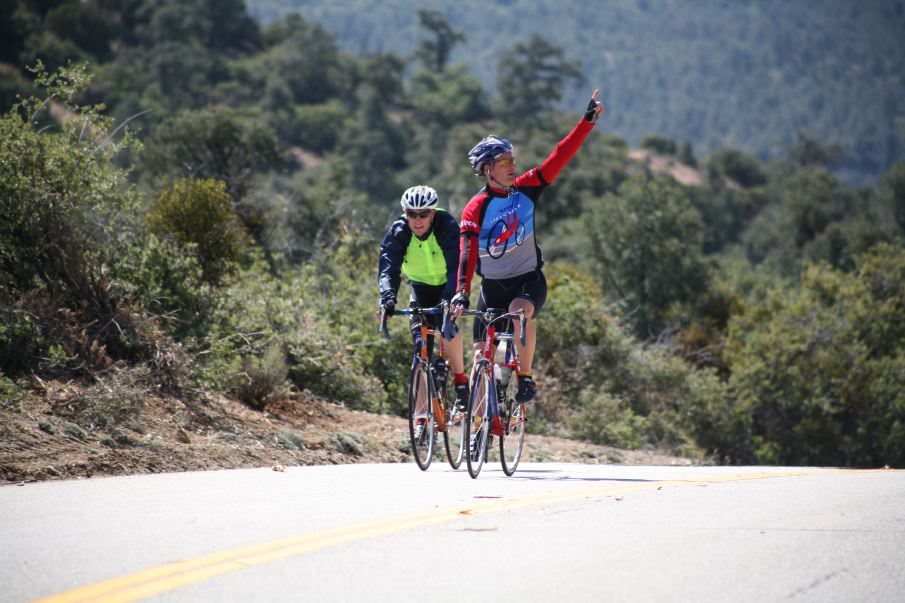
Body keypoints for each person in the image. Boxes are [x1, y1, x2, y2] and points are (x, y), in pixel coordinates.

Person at [451, 88, 605, 403]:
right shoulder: (475, 207)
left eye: (512, 159)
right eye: (503, 161)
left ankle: (525, 376)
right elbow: (466, 255)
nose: (511, 165)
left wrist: (585, 123)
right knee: (481, 354)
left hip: (528, 280)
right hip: (491, 286)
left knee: (519, 313)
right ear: (487, 169)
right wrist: (461, 293)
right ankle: (479, 427)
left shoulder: (528, 187)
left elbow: (559, 156)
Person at [378, 185, 470, 420]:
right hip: (419, 286)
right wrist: (387, 300)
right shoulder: (399, 231)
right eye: (411, 214)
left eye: (423, 214)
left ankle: (460, 380)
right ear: (405, 213)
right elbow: (389, 269)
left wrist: (451, 298)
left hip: (445, 285)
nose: (417, 220)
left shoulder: (446, 226)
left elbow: (455, 265)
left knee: (448, 330)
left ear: (433, 213)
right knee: (421, 351)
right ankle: (420, 418)